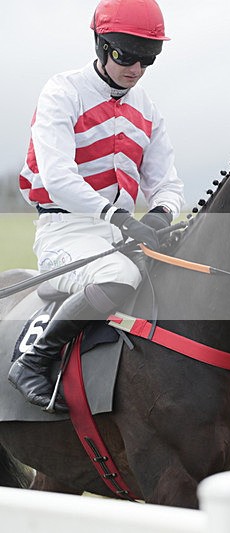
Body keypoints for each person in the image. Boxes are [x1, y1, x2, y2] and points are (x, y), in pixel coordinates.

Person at [9, 0, 184, 413]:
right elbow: (57, 177)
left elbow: (167, 182)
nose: (136, 69)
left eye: (147, 60)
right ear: (102, 45)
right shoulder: (62, 92)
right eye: (126, 56)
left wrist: (160, 212)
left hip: (119, 234)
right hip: (65, 231)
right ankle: (33, 361)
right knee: (120, 276)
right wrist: (117, 216)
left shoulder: (148, 109)